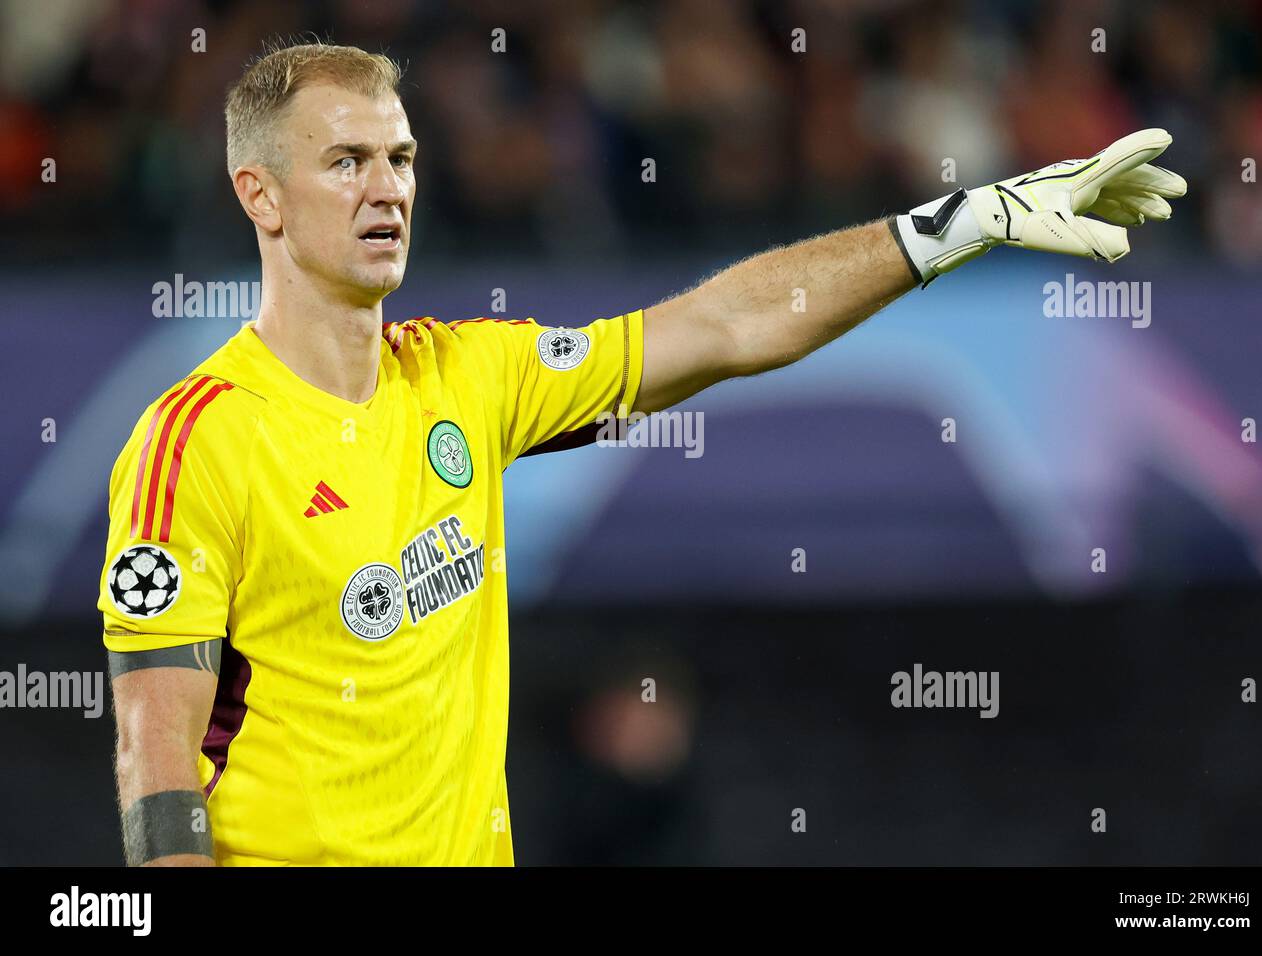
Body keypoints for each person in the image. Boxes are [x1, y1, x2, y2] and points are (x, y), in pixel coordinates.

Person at [99, 42, 1185, 866]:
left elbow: (725, 325)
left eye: (400, 157)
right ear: (261, 195)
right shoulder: (196, 439)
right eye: (345, 161)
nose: (387, 187)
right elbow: (156, 755)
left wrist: (962, 223)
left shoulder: (469, 378)